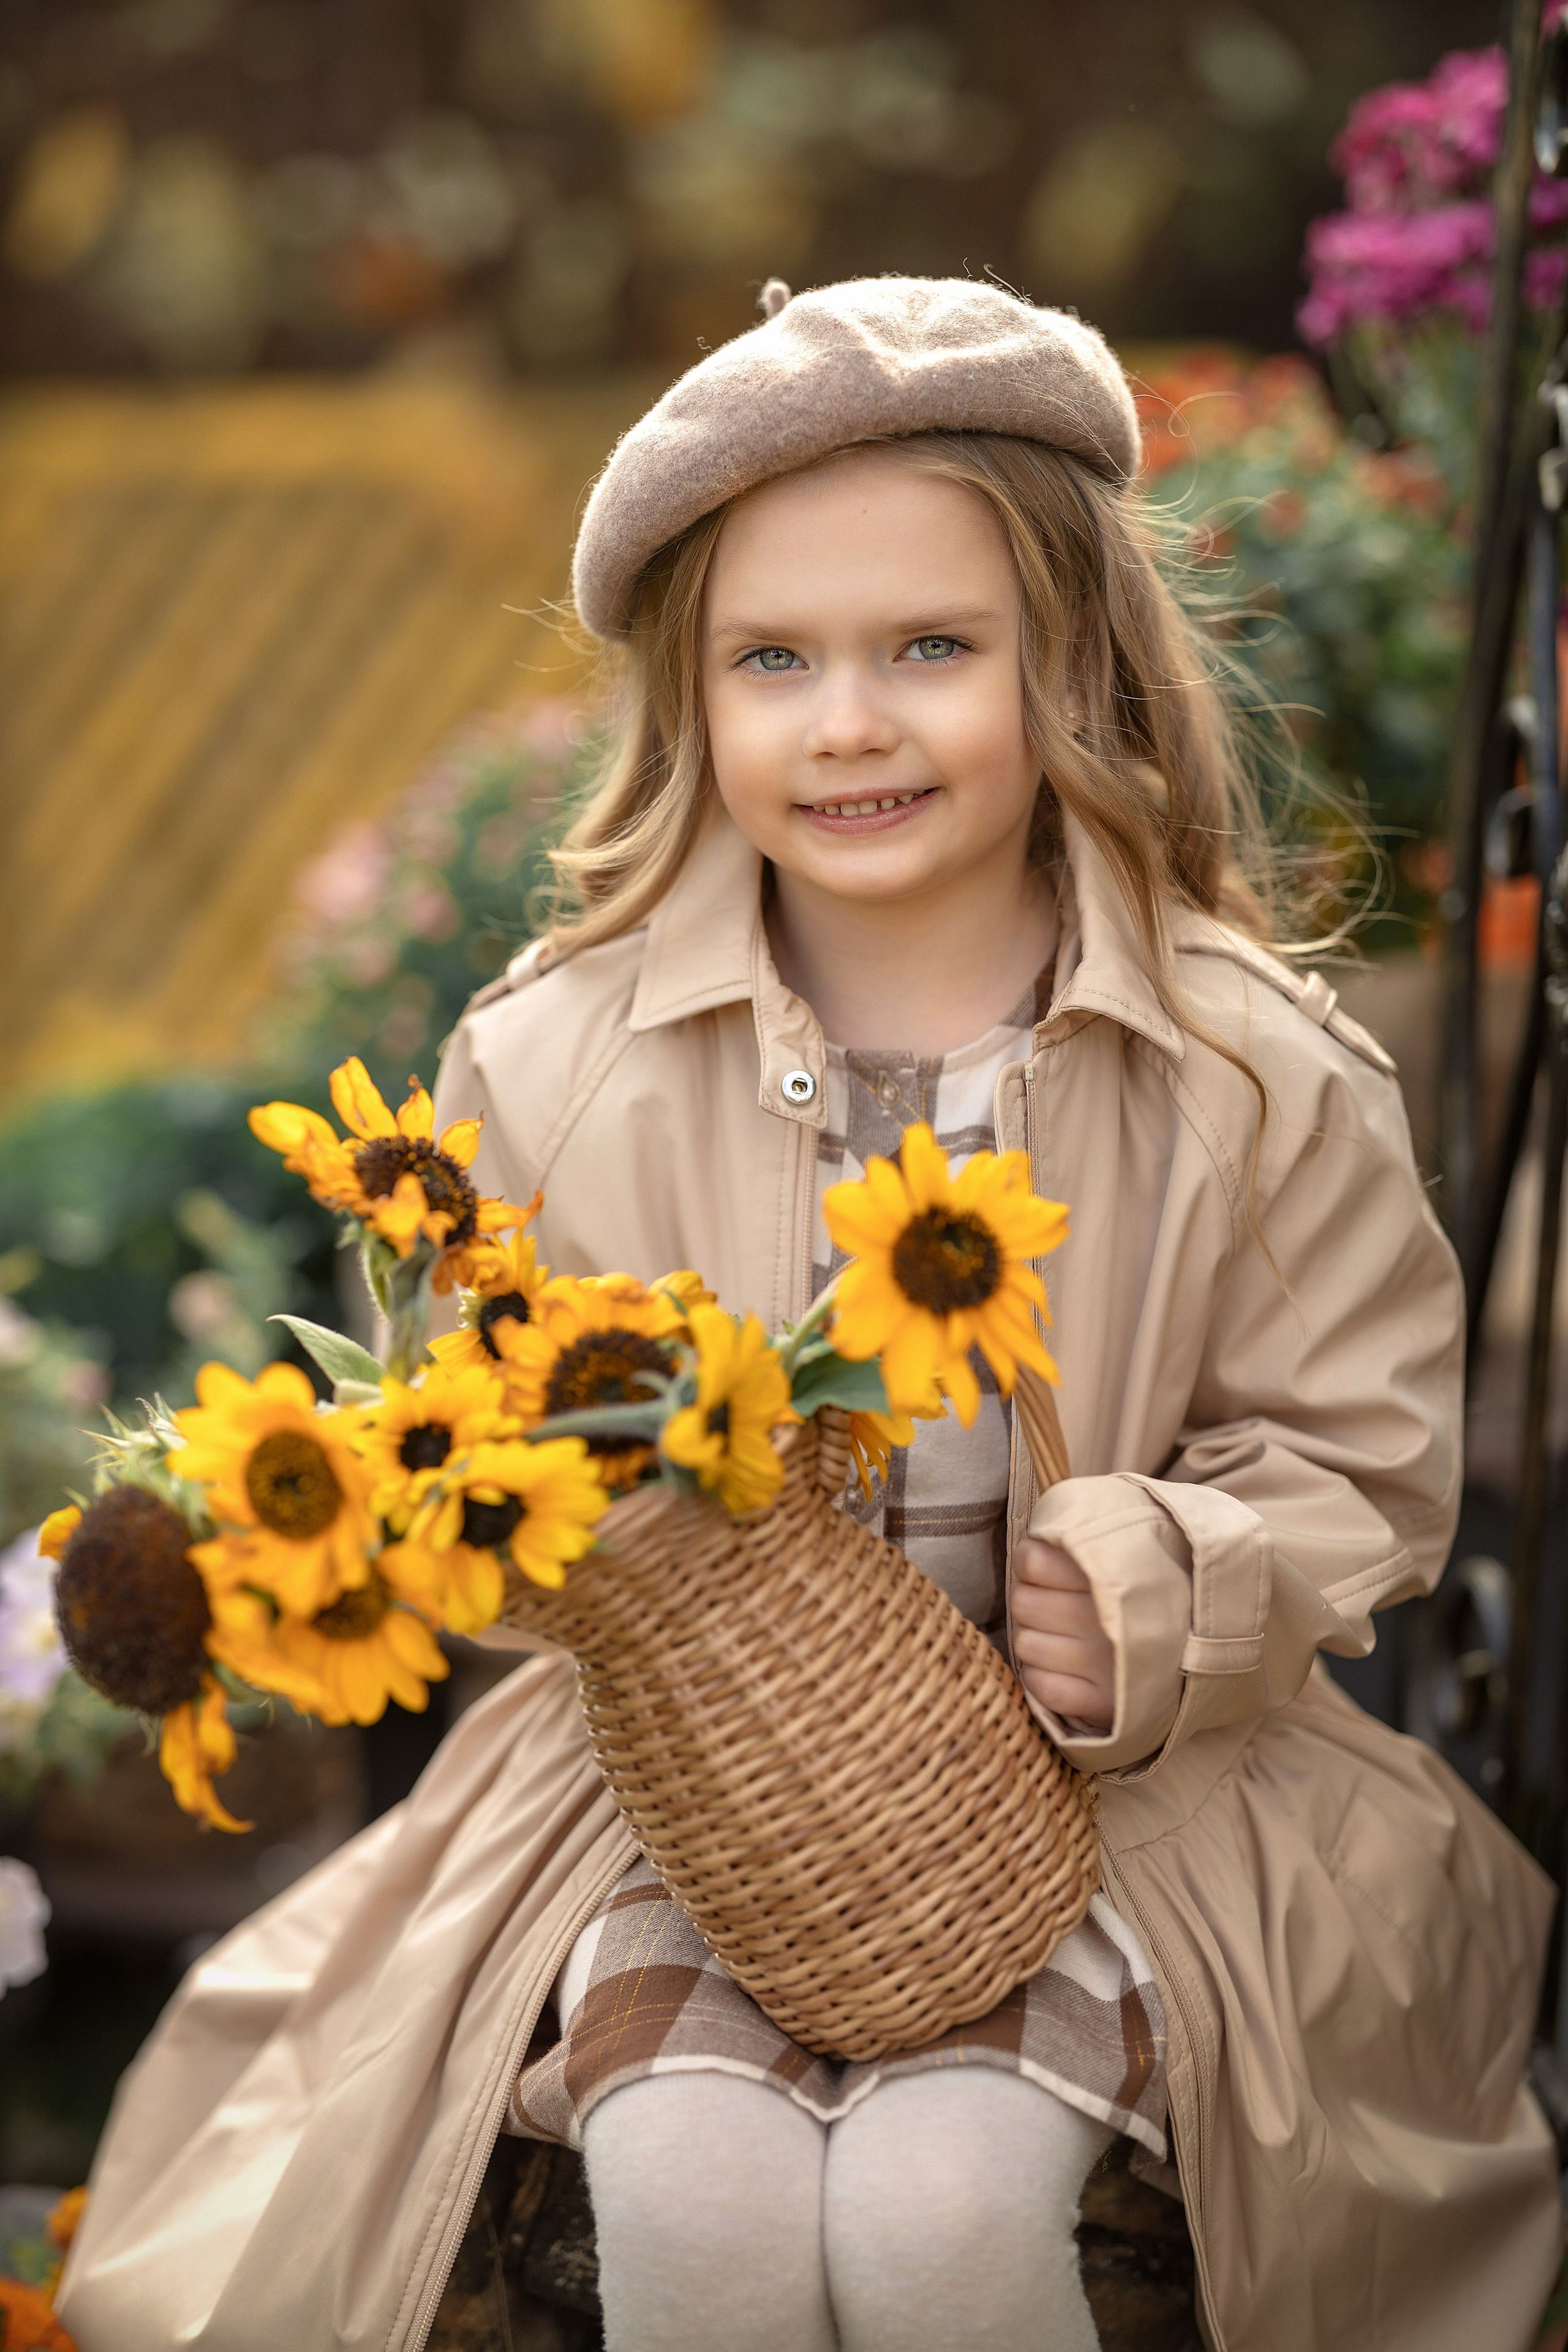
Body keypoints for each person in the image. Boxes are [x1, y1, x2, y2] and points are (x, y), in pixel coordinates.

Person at [58, 279, 1559, 2352]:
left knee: (949, 2217)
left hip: (1122, 1817)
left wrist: (1171, 1579)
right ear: (694, 705)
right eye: (775, 662)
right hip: (668, 1807)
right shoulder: (556, 1060)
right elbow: (462, 1483)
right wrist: (554, 1540)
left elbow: (1360, 1458)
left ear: (1079, 669)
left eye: (931, 648)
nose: (848, 722)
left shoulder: (1242, 1067)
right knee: (697, 2192)